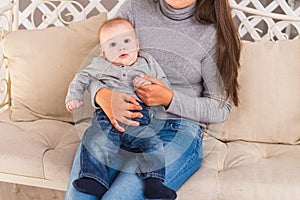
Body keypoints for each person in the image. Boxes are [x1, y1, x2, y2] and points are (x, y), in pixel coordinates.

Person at [64, 0, 241, 199]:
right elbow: (99, 67)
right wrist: (102, 95)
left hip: (177, 129)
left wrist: (169, 98)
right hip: (118, 122)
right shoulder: (133, 8)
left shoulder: (212, 32)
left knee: (119, 197)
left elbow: (220, 107)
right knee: (81, 194)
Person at [65, 18, 177, 199]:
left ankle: (153, 182)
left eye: (126, 41)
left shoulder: (147, 62)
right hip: (108, 118)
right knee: (96, 139)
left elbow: (164, 85)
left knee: (154, 144)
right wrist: (74, 96)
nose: (121, 48)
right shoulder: (100, 64)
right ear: (103, 52)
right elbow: (82, 78)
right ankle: (94, 179)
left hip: (139, 119)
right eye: (113, 45)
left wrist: (150, 83)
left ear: (137, 44)